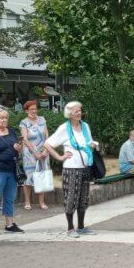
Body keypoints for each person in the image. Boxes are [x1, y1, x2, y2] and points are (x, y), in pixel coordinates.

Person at [44, 101, 99, 238]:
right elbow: (47, 144)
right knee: (71, 199)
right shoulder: (64, 128)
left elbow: (88, 142)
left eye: (80, 110)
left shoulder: (85, 126)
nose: (79, 113)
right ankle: (70, 228)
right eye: (76, 111)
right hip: (71, 169)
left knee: (83, 199)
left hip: (85, 167)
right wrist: (60, 157)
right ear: (69, 113)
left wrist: (92, 144)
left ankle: (81, 227)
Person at [18, 100, 50, 210]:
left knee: (42, 176)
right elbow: (25, 139)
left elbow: (47, 136)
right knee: (28, 178)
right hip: (29, 154)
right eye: (31, 109)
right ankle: (27, 202)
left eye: (35, 109)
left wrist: (46, 150)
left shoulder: (42, 120)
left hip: (43, 151)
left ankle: (42, 202)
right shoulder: (24, 122)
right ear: (26, 111)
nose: (34, 111)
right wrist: (36, 153)